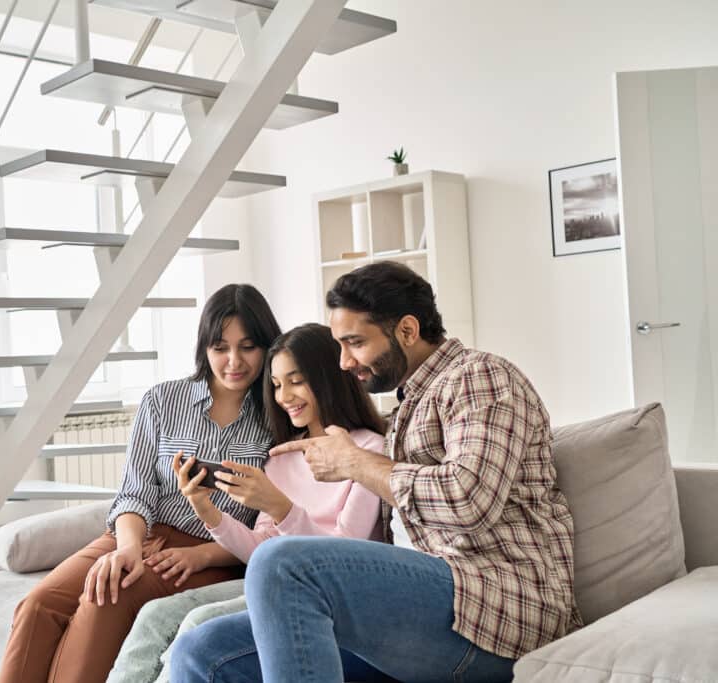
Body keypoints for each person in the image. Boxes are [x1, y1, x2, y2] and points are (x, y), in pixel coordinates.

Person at [170, 262, 582, 683]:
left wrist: (352, 463)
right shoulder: (407, 407)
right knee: (200, 649)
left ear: (406, 330)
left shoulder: (480, 378)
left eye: (355, 343)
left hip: (496, 607)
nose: (344, 362)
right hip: (420, 608)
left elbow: (467, 501)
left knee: (283, 562)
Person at [0, 283, 281, 683]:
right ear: (205, 348)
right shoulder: (163, 401)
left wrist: (203, 555)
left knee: (107, 597)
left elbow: (271, 528)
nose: (234, 361)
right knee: (38, 605)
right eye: (220, 347)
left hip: (213, 552)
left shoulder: (279, 417)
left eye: (248, 347)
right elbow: (134, 492)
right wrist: (128, 548)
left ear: (267, 347)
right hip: (138, 534)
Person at [106, 323, 387, 683]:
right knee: (155, 616)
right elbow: (259, 551)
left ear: (329, 377)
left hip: (329, 595)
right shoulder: (281, 459)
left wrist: (281, 508)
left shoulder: (367, 452)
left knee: (197, 624)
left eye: (296, 381)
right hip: (271, 580)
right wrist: (206, 509)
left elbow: (343, 556)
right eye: (277, 384)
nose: (284, 396)